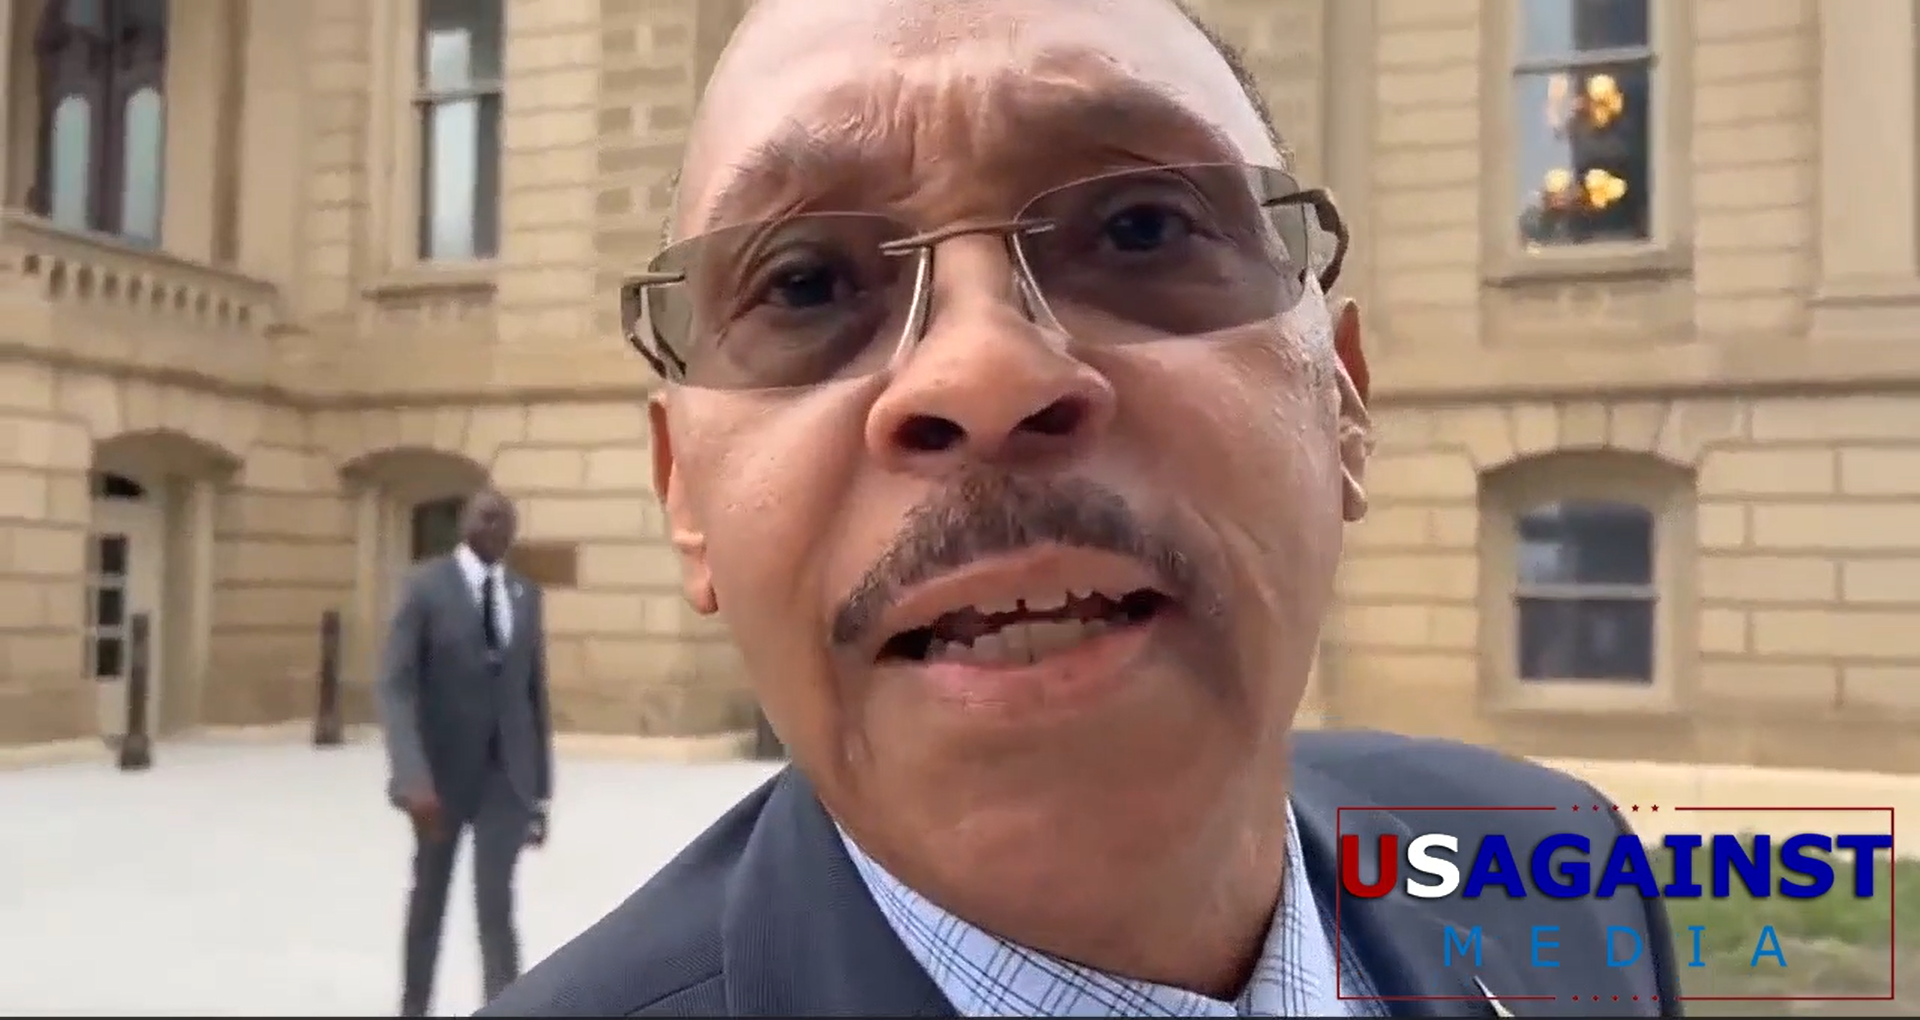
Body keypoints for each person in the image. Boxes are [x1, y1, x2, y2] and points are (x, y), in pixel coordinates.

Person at [482, 0, 1685, 1015]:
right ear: (686, 496)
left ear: (1343, 405)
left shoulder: (1559, 871)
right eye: (804, 284)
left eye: (1140, 228)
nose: (983, 376)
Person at [377, 488, 553, 1016]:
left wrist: (539, 795)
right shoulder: (425, 588)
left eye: (507, 521)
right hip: (440, 781)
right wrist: (411, 776)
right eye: (487, 517)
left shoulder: (525, 594)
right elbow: (396, 687)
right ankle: (415, 1006)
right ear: (465, 523)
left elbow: (533, 697)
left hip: (506, 779)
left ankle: (505, 1006)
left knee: (496, 906)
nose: (498, 528)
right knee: (429, 900)